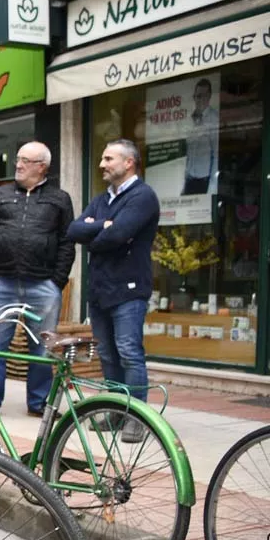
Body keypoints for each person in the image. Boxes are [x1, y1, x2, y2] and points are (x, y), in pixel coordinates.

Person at [67, 139, 160, 442]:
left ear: (129, 162)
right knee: (107, 354)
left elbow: (119, 234)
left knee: (129, 352)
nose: (102, 165)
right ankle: (116, 411)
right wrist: (102, 225)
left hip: (129, 290)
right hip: (100, 289)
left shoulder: (143, 197)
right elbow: (73, 230)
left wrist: (100, 230)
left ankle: (137, 418)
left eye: (108, 159)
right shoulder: (101, 199)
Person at [0, 141, 75, 416]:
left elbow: (68, 242)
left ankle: (39, 403)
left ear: (41, 166)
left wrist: (57, 281)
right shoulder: (1, 195)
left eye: (25, 160)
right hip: (0, 284)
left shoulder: (60, 199)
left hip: (43, 285)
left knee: (42, 347)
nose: (18, 165)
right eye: (18, 159)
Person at [182, 78, 219, 196]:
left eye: (202, 96)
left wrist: (212, 186)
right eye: (197, 96)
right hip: (189, 179)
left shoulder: (213, 119)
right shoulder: (191, 119)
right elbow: (188, 151)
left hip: (203, 181)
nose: (199, 99)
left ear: (209, 96)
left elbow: (216, 154)